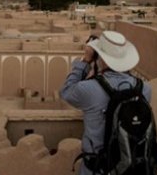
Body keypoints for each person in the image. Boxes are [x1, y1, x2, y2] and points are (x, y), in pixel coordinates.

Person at [60, 31, 152, 175]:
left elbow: (66, 91)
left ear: (101, 58)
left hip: (97, 168)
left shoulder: (89, 89)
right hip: (131, 168)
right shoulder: (145, 89)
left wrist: (85, 61)